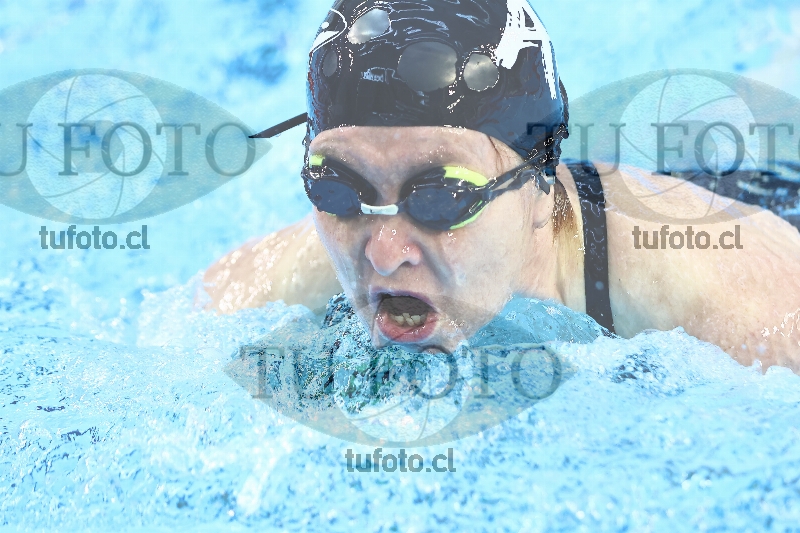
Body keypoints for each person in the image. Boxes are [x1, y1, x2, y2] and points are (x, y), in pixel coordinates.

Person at [203, 0, 800, 371]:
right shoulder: (301, 265)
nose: (383, 252)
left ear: (537, 187)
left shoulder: (736, 305)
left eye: (440, 197)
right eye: (337, 189)